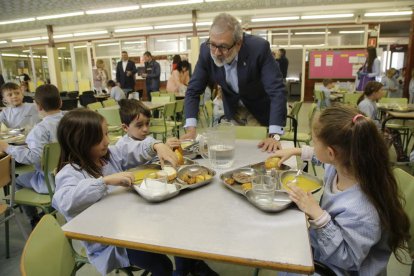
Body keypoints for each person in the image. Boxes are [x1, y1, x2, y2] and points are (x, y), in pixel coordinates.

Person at [273, 105, 410, 276]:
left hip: (341, 268)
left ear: (331, 152)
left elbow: (348, 260)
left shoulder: (363, 210)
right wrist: (298, 151)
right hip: (325, 251)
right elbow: (321, 159)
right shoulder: (347, 165)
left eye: (313, 142)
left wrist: (319, 215)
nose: (312, 145)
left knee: (285, 265)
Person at [182, 13, 287, 153]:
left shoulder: (258, 48)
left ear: (238, 43)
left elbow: (277, 91)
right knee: (233, 151)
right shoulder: (206, 51)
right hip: (233, 109)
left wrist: (275, 135)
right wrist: (191, 129)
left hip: (258, 108)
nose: (217, 53)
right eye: (213, 45)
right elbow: (193, 90)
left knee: (257, 152)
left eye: (223, 47)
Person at [0, 84, 64, 228]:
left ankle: (33, 218)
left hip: (51, 181)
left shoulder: (39, 130)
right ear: (61, 102)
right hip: (70, 172)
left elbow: (33, 157)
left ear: (38, 106)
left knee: (16, 181)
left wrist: (7, 147)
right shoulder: (71, 120)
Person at [357, 81, 409, 162]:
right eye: (381, 90)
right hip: (367, 130)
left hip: (373, 127)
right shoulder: (366, 104)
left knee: (394, 132)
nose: (383, 92)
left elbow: (373, 119)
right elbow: (367, 122)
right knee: (391, 135)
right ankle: (379, 156)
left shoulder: (372, 101)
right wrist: (382, 126)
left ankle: (400, 156)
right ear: (374, 92)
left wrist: (382, 125)